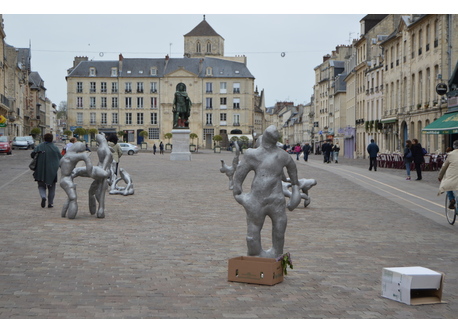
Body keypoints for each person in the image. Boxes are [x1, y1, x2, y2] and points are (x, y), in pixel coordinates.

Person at [232, 125, 301, 258]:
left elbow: (294, 179)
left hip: (276, 200)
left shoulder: (283, 156)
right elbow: (239, 177)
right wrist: (240, 196)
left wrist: (295, 194)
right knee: (253, 236)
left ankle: (276, 257)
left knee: (279, 231)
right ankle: (255, 260)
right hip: (256, 200)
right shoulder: (252, 155)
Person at [59, 142, 94, 219]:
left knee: (69, 197)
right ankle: (71, 216)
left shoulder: (65, 156)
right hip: (67, 180)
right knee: (73, 198)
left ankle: (63, 214)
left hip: (64, 178)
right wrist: (91, 174)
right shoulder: (76, 156)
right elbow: (88, 164)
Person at [31, 133, 62, 208]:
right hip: (52, 171)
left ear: (44, 138)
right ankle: (50, 203)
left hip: (40, 170)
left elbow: (32, 155)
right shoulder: (55, 148)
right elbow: (60, 159)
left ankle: (43, 196)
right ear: (52, 139)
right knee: (52, 188)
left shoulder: (39, 146)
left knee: (41, 186)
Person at [438, 140, 458, 209]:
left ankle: (451, 199)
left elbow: (444, 167)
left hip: (452, 177)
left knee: (447, 185)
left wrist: (440, 176)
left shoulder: (450, 154)